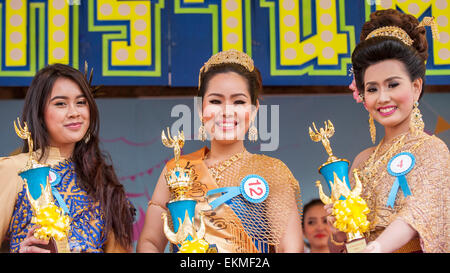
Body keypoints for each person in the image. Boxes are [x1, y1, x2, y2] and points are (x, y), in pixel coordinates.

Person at [137, 49, 303, 253]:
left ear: (254, 110)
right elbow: (150, 242)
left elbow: (291, 249)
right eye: (215, 101)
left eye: (239, 101)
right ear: (200, 109)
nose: (226, 111)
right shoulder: (176, 170)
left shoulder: (272, 171)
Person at [328, 9, 449, 253]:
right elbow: (349, 244)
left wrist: (377, 247)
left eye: (393, 84)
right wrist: (339, 233)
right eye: (372, 89)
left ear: (416, 87)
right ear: (362, 94)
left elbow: (418, 211)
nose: (383, 98)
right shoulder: (362, 161)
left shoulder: (432, 150)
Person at [0, 63, 135, 253]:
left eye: (81, 102)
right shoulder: (15, 169)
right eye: (60, 104)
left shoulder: (102, 181)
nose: (74, 112)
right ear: (39, 113)